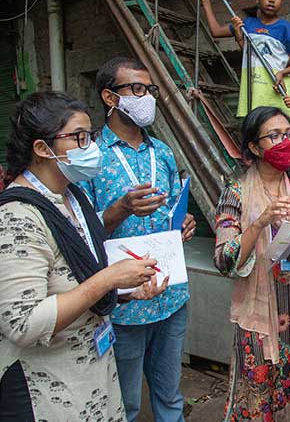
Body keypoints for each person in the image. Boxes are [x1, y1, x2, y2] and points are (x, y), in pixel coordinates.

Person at [0, 91, 162, 421]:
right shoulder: (17, 217)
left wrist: (125, 291)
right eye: (80, 137)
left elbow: (72, 280)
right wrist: (109, 278)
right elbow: (23, 323)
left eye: (91, 135)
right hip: (48, 387)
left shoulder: (70, 197)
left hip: (92, 372)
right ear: (42, 148)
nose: (92, 148)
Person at [79, 57, 196, 422]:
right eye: (137, 89)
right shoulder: (89, 158)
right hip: (124, 305)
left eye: (151, 90)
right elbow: (81, 234)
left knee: (170, 396)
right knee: (125, 402)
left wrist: (184, 223)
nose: (147, 98)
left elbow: (175, 208)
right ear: (110, 98)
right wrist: (122, 209)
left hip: (171, 294)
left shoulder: (162, 152)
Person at [214, 106, 290, 420]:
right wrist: (259, 223)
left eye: (289, 134)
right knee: (258, 402)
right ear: (255, 147)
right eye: (274, 136)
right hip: (261, 320)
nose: (285, 141)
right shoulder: (236, 193)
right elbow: (224, 260)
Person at [200, 0, 290, 117]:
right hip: (253, 92)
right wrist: (206, 1)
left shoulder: (286, 28)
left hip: (276, 93)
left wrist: (282, 73)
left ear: (283, 0)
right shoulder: (247, 25)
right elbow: (216, 31)